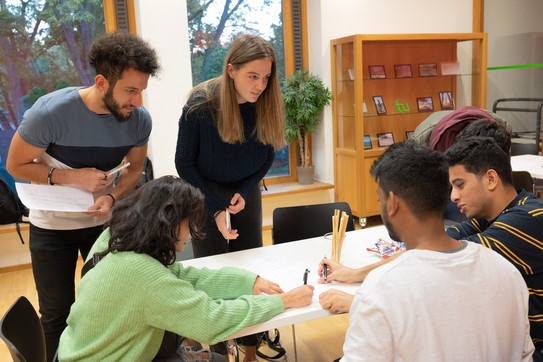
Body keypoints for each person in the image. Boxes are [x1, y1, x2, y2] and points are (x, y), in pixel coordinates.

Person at [6, 31, 160, 361]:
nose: (138, 101)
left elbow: (134, 168)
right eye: (130, 90)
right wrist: (69, 177)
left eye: (141, 91)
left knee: (104, 309)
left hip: (102, 225)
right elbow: (15, 164)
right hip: (51, 228)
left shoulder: (138, 121)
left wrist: (113, 198)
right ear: (102, 82)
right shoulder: (50, 113)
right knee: (56, 314)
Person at [57, 176, 314, 361]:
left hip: (75, 350)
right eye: (190, 222)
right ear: (168, 222)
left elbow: (183, 277)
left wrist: (248, 281)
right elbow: (210, 320)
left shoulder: (115, 238)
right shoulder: (143, 274)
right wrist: (283, 302)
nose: (194, 232)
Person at [337, 141, 534, 361]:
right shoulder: (506, 269)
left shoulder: (379, 292)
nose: (456, 196)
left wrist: (364, 300)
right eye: (454, 187)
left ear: (392, 203)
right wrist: (356, 275)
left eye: (379, 199)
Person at [174, 34, 285, 360]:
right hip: (202, 191)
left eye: (266, 77)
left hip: (244, 191)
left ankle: (250, 350)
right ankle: (220, 351)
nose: (260, 85)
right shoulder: (200, 105)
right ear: (231, 69)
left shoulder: (266, 100)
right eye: (253, 76)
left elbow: (266, 156)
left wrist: (244, 192)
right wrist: (215, 205)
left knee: (251, 270)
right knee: (215, 273)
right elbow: (184, 163)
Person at [444, 137, 543, 358]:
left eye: (460, 185)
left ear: (490, 179)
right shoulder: (493, 215)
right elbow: (440, 242)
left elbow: (445, 257)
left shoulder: (527, 219)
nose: (453, 196)